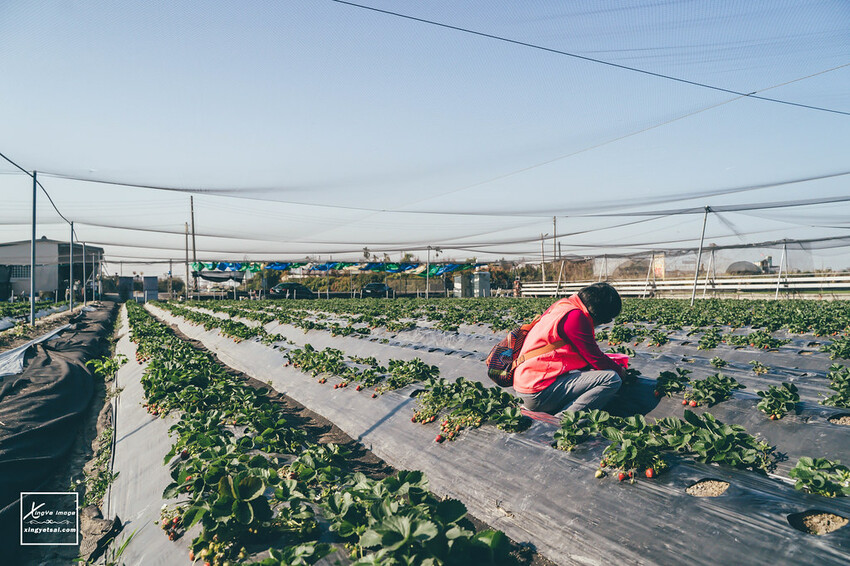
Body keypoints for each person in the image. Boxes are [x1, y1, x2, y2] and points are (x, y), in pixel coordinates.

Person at [513, 282, 626, 415]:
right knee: (611, 379)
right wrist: (620, 371)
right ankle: (563, 419)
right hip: (537, 393)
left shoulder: (563, 305)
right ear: (599, 315)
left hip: (524, 385)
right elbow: (595, 358)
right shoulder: (576, 317)